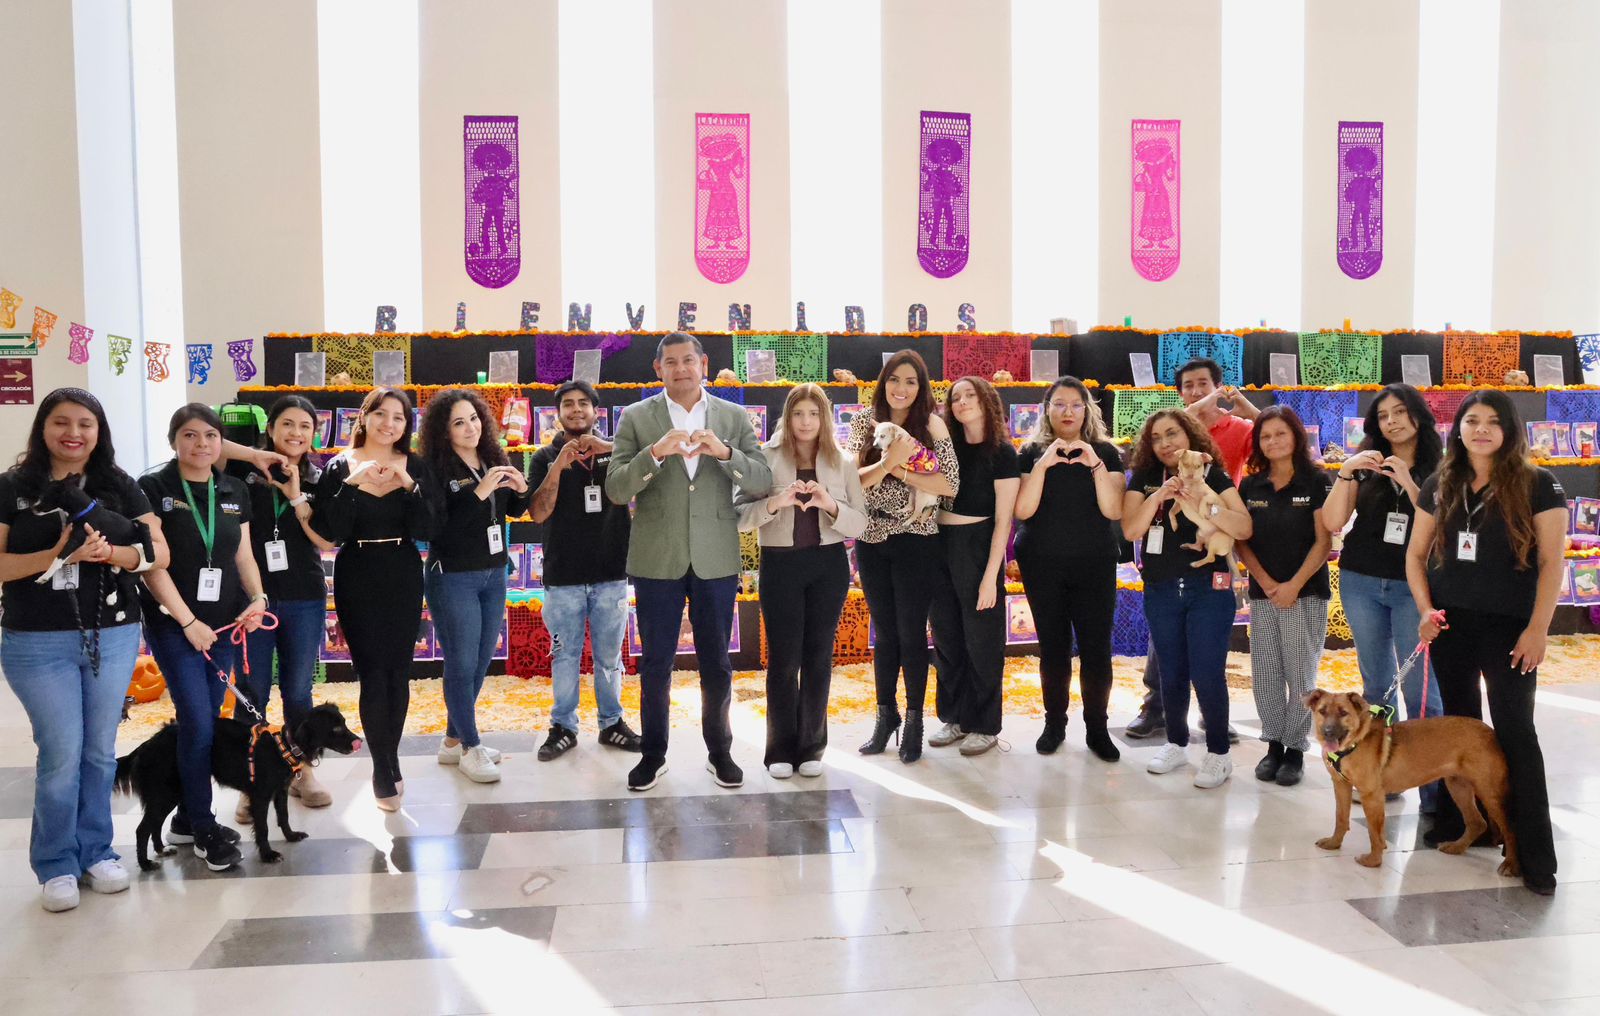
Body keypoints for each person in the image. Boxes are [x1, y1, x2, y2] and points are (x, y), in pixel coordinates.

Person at [0, 389, 168, 911]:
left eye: (85, 424)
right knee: (61, 753)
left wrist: (113, 554)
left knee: (99, 752)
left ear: (100, 432)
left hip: (114, 635)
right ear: (42, 428)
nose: (73, 433)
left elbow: (157, 553)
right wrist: (56, 553)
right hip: (35, 642)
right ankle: (56, 864)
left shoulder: (120, 486)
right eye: (61, 422)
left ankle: (96, 851)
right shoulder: (12, 487)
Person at [1408, 390, 1564, 896]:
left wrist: (1538, 629)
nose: (1481, 430)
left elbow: (1551, 564)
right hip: (1453, 626)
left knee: (1517, 731)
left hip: (1510, 628)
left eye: (1493, 422)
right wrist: (1425, 611)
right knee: (1460, 731)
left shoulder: (1539, 483)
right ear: (1459, 429)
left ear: (1510, 429)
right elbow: (1415, 556)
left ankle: (1535, 855)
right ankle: (1467, 827)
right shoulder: (1441, 482)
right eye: (1472, 420)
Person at [606, 333, 773, 791]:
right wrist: (655, 453)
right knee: (656, 662)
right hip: (656, 557)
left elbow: (761, 481)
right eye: (671, 362)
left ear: (703, 364)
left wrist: (724, 452)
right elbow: (617, 488)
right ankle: (653, 754)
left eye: (688, 360)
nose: (681, 369)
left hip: (715, 556)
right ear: (658, 369)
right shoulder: (637, 418)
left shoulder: (733, 417)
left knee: (716, 662)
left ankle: (720, 752)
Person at [139, 403, 269, 871]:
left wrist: (258, 600)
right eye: (190, 436)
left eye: (210, 436)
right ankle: (201, 825)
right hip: (176, 626)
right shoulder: (154, 488)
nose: (201, 445)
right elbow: (153, 564)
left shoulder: (233, 489)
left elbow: (244, 557)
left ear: (220, 443)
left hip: (225, 627)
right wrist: (187, 621)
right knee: (196, 721)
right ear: (175, 441)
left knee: (209, 722)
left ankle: (185, 820)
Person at [313, 388, 438, 811]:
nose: (389, 423)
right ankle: (383, 770)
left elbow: (428, 527)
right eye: (381, 414)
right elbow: (333, 529)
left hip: (402, 569)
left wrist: (408, 485)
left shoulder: (416, 465)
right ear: (364, 418)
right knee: (371, 672)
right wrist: (352, 483)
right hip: (357, 571)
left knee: (397, 672)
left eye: (399, 417)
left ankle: (390, 760)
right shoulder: (337, 466)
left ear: (408, 425)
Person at [1321, 384, 1444, 808]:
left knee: (1421, 690)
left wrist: (1410, 483)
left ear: (1417, 416)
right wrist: (1346, 471)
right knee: (1375, 687)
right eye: (1384, 415)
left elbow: (1442, 528)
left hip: (1415, 588)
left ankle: (1434, 792)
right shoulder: (1365, 464)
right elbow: (1334, 521)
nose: (1392, 421)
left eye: (1400, 412)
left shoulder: (1440, 466)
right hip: (1361, 579)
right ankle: (1377, 777)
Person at [736, 384, 867, 778]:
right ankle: (779, 749)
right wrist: (777, 502)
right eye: (798, 414)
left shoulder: (842, 461)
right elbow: (741, 514)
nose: (806, 422)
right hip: (780, 565)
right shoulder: (766, 457)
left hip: (828, 566)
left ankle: (812, 747)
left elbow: (860, 522)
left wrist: (829, 504)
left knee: (817, 657)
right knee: (783, 659)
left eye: (814, 413)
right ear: (787, 417)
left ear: (824, 418)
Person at [1122, 409, 1252, 789]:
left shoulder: (1213, 474)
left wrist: (1205, 502)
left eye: (1173, 434)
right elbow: (1131, 528)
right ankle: (1176, 742)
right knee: (1171, 671)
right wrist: (1160, 496)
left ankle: (1217, 754)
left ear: (1190, 437)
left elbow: (1243, 525)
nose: (1165, 444)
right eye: (1157, 437)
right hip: (1162, 588)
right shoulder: (1146, 477)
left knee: (1206, 671)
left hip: (1209, 587)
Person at [846, 350, 959, 764]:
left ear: (921, 386)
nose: (902, 388)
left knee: (912, 632)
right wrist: (886, 462)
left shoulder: (932, 423)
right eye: (895, 379)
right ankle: (885, 715)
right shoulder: (864, 421)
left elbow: (949, 484)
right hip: (872, 537)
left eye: (911, 381)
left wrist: (895, 468)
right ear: (883, 381)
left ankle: (914, 719)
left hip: (917, 537)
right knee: (885, 633)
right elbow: (851, 483)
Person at [228, 395, 337, 814]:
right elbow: (213, 444)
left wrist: (295, 495)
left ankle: (302, 772)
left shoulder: (319, 477)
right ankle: (248, 782)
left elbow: (326, 538)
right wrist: (257, 455)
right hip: (250, 600)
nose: (295, 433)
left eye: (305, 427)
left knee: (297, 691)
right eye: (287, 424)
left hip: (304, 596)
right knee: (251, 694)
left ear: (314, 435)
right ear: (270, 429)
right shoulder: (242, 472)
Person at [419, 389, 532, 783]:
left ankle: (452, 741)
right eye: (459, 422)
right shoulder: (432, 467)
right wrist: (477, 493)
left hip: (493, 571)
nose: (470, 427)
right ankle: (470, 745)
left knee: (482, 660)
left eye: (474, 418)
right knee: (461, 663)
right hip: (453, 574)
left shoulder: (493, 456)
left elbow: (511, 511)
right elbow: (438, 528)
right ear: (443, 430)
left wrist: (520, 489)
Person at [526, 380, 642, 760]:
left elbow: (646, 478)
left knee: (610, 657)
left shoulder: (616, 452)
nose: (576, 410)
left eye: (583, 404)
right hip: (563, 578)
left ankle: (611, 723)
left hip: (611, 573)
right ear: (557, 414)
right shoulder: (544, 456)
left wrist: (611, 449)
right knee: (565, 656)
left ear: (596, 411)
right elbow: (538, 511)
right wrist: (560, 465)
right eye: (568, 405)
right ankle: (563, 726)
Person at [1012, 378, 1126, 760]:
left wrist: (1091, 461)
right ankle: (1054, 723)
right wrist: (1044, 463)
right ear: (1046, 410)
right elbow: (1023, 511)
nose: (1067, 412)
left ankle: (1097, 728)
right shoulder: (1029, 452)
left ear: (1087, 409)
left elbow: (1113, 511)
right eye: (1059, 404)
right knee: (1054, 648)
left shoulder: (1107, 453)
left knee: (1096, 649)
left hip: (1094, 563)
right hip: (1042, 564)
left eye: (1075, 405)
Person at [1234, 406, 1332, 787]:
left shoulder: (1317, 482)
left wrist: (1292, 586)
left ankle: (1295, 750)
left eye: (1280, 434)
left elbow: (1324, 542)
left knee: (1301, 675)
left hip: (1304, 594)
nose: (1273, 442)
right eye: (1265, 436)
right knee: (1267, 675)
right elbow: (1242, 542)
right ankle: (1272, 744)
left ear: (1296, 436)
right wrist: (1266, 582)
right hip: (1264, 595)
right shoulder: (1251, 486)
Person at [927, 377, 1017, 757]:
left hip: (979, 547)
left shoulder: (1003, 453)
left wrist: (990, 577)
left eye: (970, 395)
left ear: (987, 401)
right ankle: (956, 717)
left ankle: (984, 724)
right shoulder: (947, 447)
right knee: (946, 637)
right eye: (956, 397)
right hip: (939, 544)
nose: (962, 401)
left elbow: (1004, 520)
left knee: (982, 640)